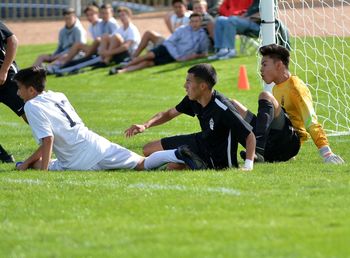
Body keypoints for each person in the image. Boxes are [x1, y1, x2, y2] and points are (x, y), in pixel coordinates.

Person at [14, 67, 206, 171]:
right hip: (94, 142)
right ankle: (177, 154)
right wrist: (26, 163)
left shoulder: (32, 105)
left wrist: (43, 173)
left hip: (78, 159)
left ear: (31, 90)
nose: (17, 93)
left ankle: (24, 165)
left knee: (42, 165)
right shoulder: (58, 95)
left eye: (19, 88)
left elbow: (48, 140)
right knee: (141, 163)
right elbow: (51, 139)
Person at [125, 63, 256, 170]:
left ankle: (189, 163)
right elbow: (169, 113)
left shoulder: (223, 107)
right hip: (201, 141)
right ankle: (185, 161)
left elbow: (249, 136)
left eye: (188, 81)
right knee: (148, 149)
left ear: (203, 86)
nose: (184, 86)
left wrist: (248, 166)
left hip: (216, 157)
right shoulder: (193, 99)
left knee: (173, 167)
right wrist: (145, 125)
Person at [238, 44, 344, 164]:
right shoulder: (276, 88)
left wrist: (327, 153)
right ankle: (228, 154)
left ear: (278, 65)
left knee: (265, 96)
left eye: (264, 64)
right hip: (274, 142)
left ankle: (258, 150)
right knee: (233, 105)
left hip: (289, 143)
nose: (261, 69)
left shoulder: (295, 87)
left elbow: (310, 121)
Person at [109, 13, 209, 75]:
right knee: (148, 56)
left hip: (174, 57)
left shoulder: (202, 35)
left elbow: (203, 51)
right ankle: (125, 65)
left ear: (201, 22)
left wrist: (198, 55)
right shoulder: (182, 30)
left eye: (197, 21)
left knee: (149, 63)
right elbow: (169, 41)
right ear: (190, 22)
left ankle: (121, 71)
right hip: (167, 49)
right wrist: (177, 56)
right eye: (192, 21)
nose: (194, 23)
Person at [0, 21, 27, 163]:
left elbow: (12, 41)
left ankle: (63, 143)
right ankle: (3, 156)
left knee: (29, 113)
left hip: (5, 78)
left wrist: (3, 71)